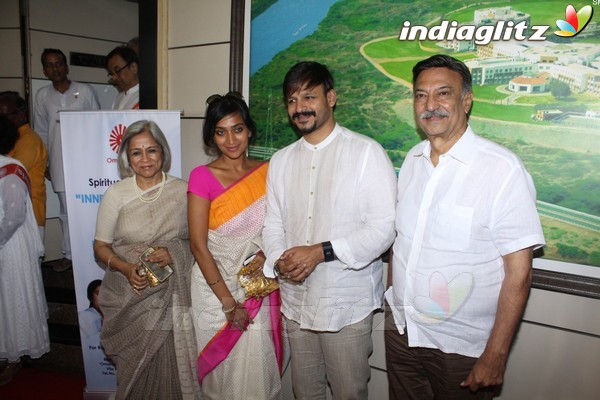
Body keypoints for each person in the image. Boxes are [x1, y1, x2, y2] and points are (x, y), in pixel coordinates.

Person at [385, 54, 546, 400]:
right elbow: (403, 244)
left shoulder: (502, 170)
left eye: (443, 93)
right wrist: (392, 305)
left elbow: (519, 274)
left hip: (462, 348)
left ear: (466, 100)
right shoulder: (411, 162)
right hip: (402, 334)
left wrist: (496, 354)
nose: (431, 105)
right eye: (420, 95)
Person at [262, 61, 397, 399]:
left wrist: (320, 252)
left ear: (331, 97)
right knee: (304, 392)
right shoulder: (280, 160)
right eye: (292, 101)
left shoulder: (365, 153)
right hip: (296, 302)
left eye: (309, 97)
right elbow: (274, 222)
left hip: (345, 303)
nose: (299, 108)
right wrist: (280, 260)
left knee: (349, 392)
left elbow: (383, 229)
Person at [93, 120, 200, 399]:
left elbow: (199, 242)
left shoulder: (183, 191)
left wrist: (174, 253)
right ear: (127, 157)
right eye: (137, 152)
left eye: (151, 150)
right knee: (135, 370)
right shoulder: (117, 194)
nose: (145, 159)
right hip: (130, 295)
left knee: (174, 368)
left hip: (174, 296)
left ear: (163, 152)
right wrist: (126, 268)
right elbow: (101, 246)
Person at [188, 92, 284, 399]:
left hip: (255, 285)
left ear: (250, 130)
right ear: (211, 137)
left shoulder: (267, 173)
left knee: (257, 371)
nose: (231, 139)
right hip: (215, 291)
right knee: (222, 377)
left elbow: (280, 228)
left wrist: (268, 252)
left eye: (237, 129)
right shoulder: (202, 177)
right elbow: (198, 245)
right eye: (221, 131)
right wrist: (228, 303)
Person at [33, 48, 100, 272]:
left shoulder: (85, 90)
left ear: (66, 66)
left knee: (90, 207)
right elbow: (41, 131)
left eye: (59, 63)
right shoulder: (42, 95)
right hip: (59, 162)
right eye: (50, 65)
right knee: (65, 210)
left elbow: (98, 124)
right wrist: (46, 162)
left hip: (86, 160)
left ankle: (94, 254)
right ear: (44, 70)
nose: (55, 68)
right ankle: (69, 255)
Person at [0, 116, 49, 385]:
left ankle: (15, 357)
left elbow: (15, 215)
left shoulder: (11, 169)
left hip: (11, 246)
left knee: (12, 300)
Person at [0, 91, 48, 241]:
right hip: (14, 217)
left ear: (21, 114)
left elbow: (11, 172)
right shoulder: (12, 138)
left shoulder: (29, 141)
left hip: (27, 218)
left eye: (3, 116)